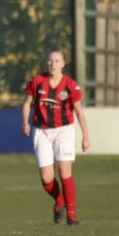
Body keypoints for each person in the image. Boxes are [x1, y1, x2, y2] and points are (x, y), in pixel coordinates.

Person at [22, 46, 90, 226]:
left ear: (63, 63)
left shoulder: (70, 85)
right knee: (46, 177)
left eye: (57, 60)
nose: (53, 64)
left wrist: (85, 136)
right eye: (50, 60)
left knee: (64, 170)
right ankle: (59, 199)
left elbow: (79, 112)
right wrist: (25, 122)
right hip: (41, 130)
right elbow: (27, 103)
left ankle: (72, 215)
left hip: (64, 130)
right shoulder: (37, 81)